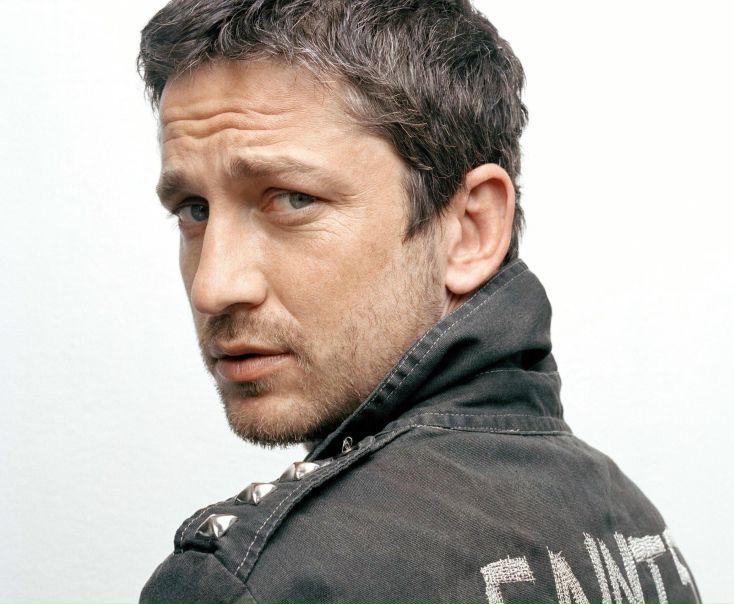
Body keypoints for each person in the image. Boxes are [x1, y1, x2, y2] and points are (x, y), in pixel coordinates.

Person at [137, 1, 702, 603]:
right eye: (193, 210)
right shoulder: (639, 533)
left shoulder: (257, 583)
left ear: (470, 230)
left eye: (293, 199)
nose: (213, 286)